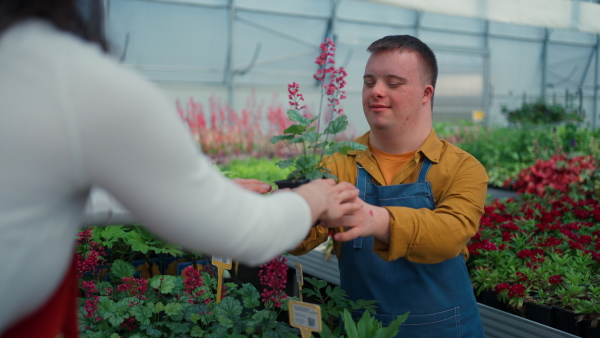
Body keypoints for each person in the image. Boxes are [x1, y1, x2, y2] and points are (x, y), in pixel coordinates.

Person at [0, 1, 362, 336]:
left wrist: (205, 192)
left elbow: (54, 194)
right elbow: (247, 233)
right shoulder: (74, 78)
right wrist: (312, 197)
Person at [289, 35, 489, 337]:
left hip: (446, 330)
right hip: (363, 330)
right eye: (369, 82)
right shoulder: (337, 165)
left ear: (426, 93)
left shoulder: (460, 167)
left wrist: (376, 219)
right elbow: (299, 242)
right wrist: (283, 209)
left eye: (393, 83)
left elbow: (450, 233)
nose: (376, 92)